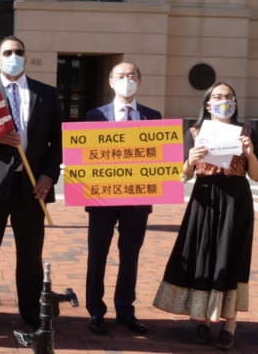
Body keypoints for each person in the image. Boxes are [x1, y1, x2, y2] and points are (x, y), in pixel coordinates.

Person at [153, 82, 258, 350]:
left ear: (235, 104)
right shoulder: (194, 132)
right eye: (217, 96)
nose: (223, 100)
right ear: (207, 103)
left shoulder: (246, 132)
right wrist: (190, 160)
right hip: (204, 199)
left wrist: (249, 154)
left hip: (236, 201)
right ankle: (201, 320)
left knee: (231, 257)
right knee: (201, 255)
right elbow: (184, 175)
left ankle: (230, 323)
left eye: (228, 96)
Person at [0, 35, 64, 333]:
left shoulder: (46, 94)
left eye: (18, 51)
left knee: (30, 253)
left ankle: (31, 309)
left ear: (26, 56)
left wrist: (49, 175)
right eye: (7, 52)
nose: (13, 56)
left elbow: (58, 140)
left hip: (33, 187)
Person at [83, 63, 159, 335]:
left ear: (140, 81)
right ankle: (95, 310)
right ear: (111, 82)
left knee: (130, 257)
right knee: (97, 256)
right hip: (101, 198)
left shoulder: (153, 116)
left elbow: (159, 156)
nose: (126, 80)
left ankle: (125, 310)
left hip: (137, 200)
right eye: (121, 76)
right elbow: (85, 154)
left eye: (131, 76)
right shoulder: (94, 115)